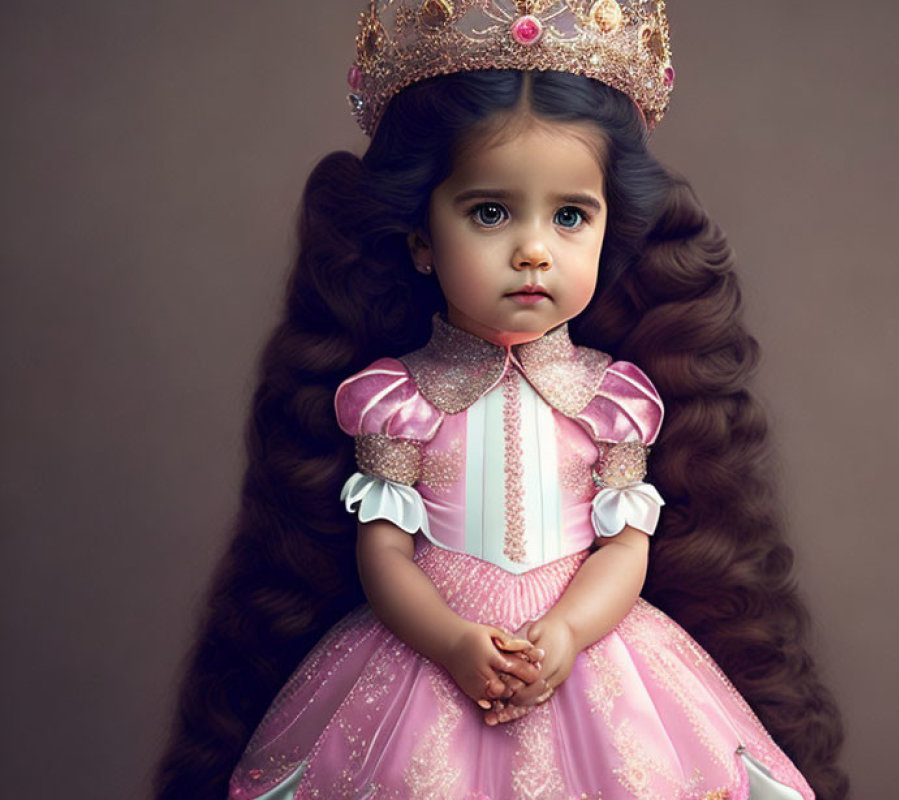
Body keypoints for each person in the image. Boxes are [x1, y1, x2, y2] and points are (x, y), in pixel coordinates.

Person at [156, 2, 847, 799]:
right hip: (432, 659)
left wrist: (569, 631)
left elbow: (624, 548)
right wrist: (450, 642)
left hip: (592, 660)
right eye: (490, 212)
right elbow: (383, 552)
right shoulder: (400, 400)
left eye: (569, 216)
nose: (532, 248)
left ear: (609, 230)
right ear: (421, 238)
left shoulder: (611, 401)